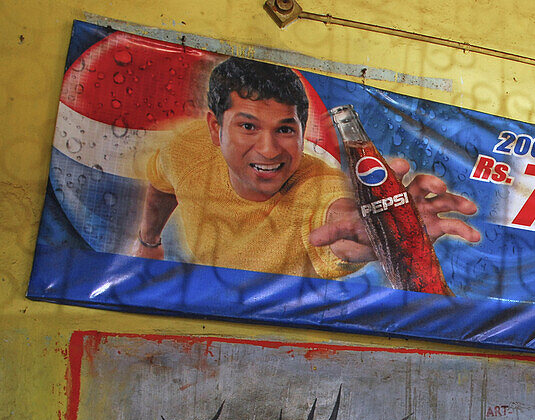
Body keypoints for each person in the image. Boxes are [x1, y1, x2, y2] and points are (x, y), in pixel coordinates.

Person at [132, 57, 480, 280]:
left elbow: (337, 221)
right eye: (248, 126)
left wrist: (379, 229)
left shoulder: (318, 186)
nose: (269, 151)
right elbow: (162, 184)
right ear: (214, 128)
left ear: (302, 130)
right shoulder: (187, 148)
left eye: (285, 129)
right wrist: (149, 242)